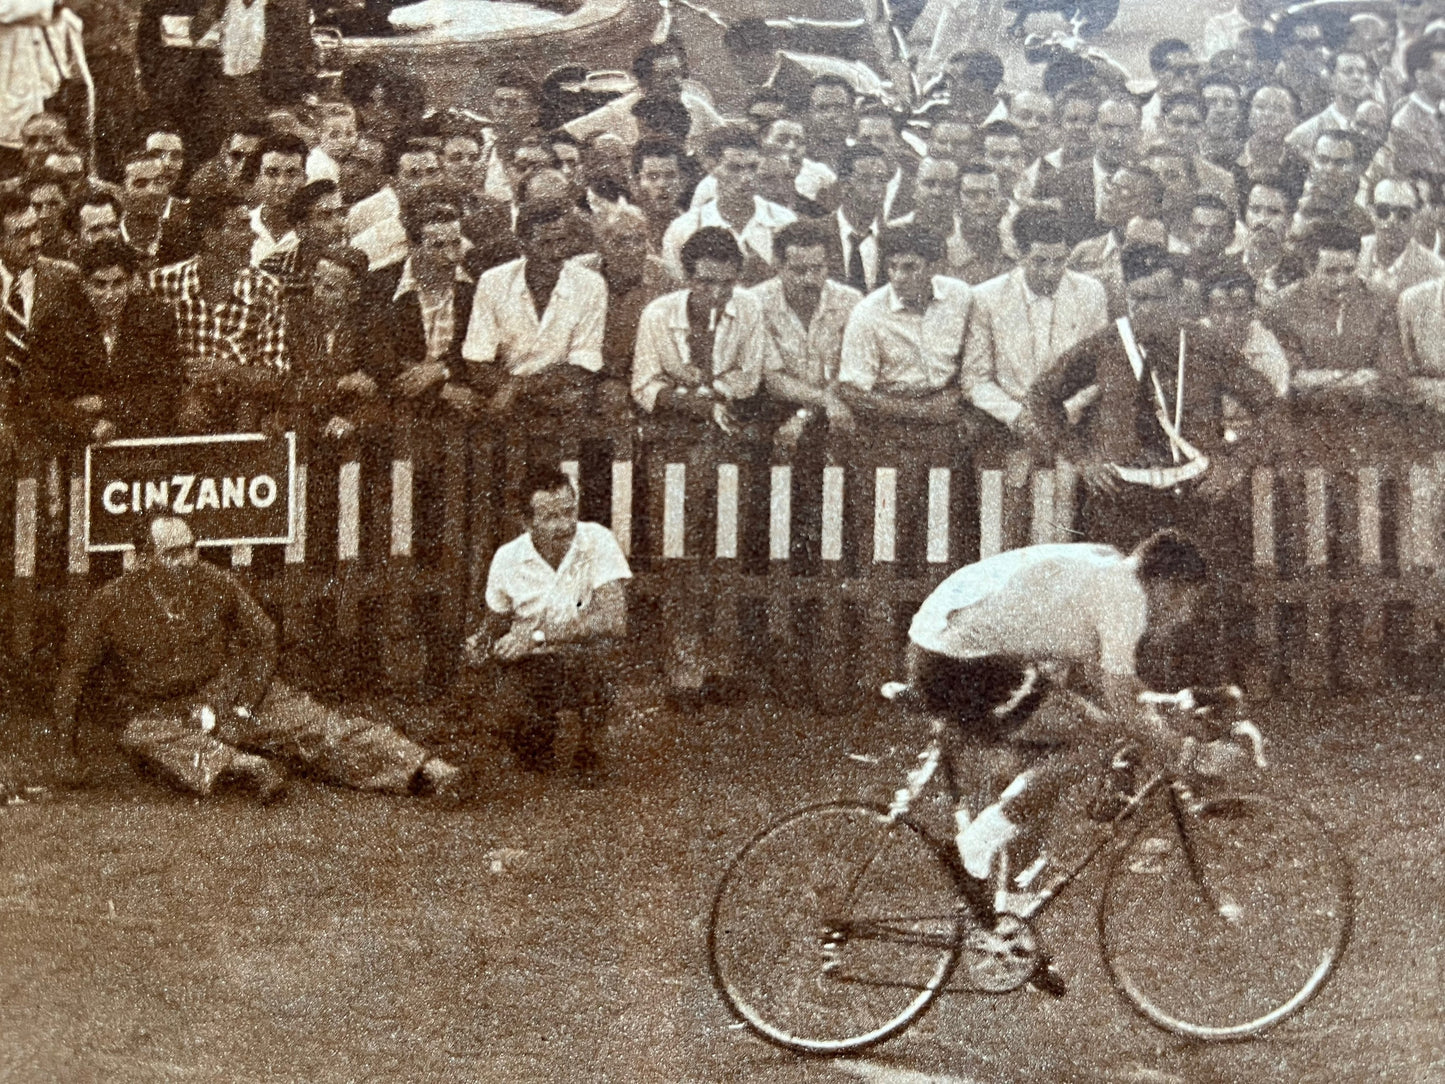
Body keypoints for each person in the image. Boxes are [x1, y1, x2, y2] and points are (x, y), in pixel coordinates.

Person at [901, 531, 1211, 971]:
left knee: (1051, 757)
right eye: (1187, 603)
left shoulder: (1110, 569)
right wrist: (1181, 752)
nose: (1184, 618)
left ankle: (1009, 926)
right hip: (957, 659)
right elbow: (1121, 702)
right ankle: (973, 845)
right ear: (1166, 584)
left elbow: (1114, 680)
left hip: (951, 643)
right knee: (1096, 739)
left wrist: (1159, 709)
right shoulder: (1125, 597)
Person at [52, 515, 461, 799]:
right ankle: (247, 767)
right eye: (172, 554)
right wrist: (65, 752)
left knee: (319, 728)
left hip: (234, 693)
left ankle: (429, 770)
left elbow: (264, 637)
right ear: (143, 558)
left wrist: (248, 698)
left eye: (191, 549)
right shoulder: (110, 602)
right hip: (171, 710)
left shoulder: (215, 582)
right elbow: (74, 673)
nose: (187, 561)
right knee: (139, 735)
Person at [466, 467, 630, 785]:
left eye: (569, 512)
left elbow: (613, 619)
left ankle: (589, 747)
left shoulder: (597, 540)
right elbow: (496, 620)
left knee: (602, 655)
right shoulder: (508, 558)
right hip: (534, 664)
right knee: (514, 730)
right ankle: (537, 733)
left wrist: (538, 636)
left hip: (581, 655)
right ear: (527, 522)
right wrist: (482, 642)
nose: (565, 525)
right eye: (551, 517)